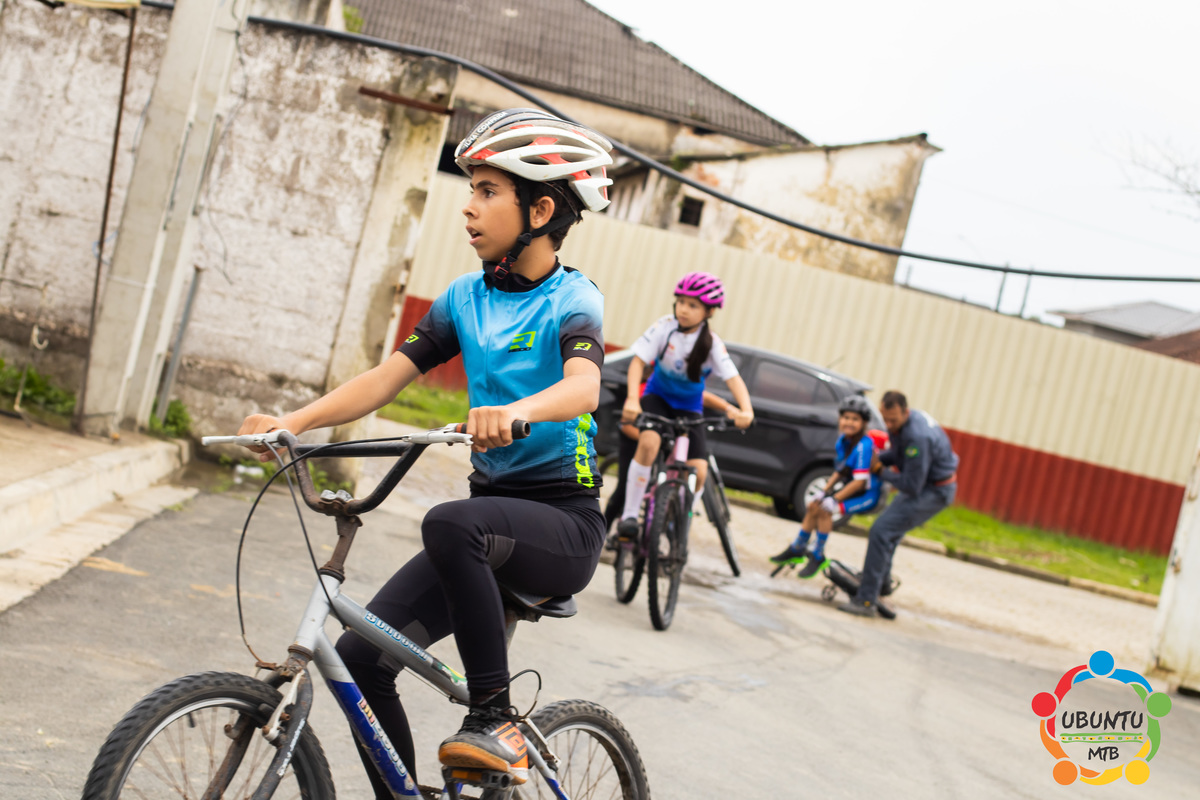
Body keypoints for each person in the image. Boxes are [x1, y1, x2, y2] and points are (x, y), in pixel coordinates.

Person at [236, 108, 614, 793]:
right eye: (471, 189)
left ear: (541, 210)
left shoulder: (573, 298)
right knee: (359, 658)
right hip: (487, 524)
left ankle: (493, 717)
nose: (468, 206)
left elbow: (583, 386)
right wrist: (293, 423)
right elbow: (386, 379)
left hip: (562, 524)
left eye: (488, 191)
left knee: (449, 522)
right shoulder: (465, 298)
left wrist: (518, 412)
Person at [615, 273, 754, 539]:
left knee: (699, 471)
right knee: (649, 443)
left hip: (689, 408)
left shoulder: (712, 343)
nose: (684, 310)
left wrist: (746, 410)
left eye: (693, 305)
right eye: (680, 302)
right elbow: (637, 363)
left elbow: (733, 379)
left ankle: (678, 518)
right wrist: (632, 399)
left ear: (709, 312)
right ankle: (630, 515)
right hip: (657, 398)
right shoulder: (664, 326)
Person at [839, 390, 959, 619]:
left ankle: (866, 600)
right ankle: (880, 586)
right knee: (888, 531)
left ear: (905, 411)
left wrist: (879, 469)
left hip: (934, 490)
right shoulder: (904, 425)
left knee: (881, 530)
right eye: (885, 419)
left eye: (893, 420)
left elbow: (911, 485)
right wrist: (877, 458)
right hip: (926, 484)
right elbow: (899, 455)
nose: (888, 425)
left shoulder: (917, 437)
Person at [770, 394, 881, 578]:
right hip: (851, 487)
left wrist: (834, 499)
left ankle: (818, 555)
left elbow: (860, 482)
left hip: (866, 494)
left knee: (825, 510)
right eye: (846, 417)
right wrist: (823, 491)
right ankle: (797, 547)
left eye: (855, 419)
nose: (849, 422)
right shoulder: (844, 441)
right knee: (815, 505)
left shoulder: (864, 446)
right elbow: (841, 471)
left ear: (864, 423)